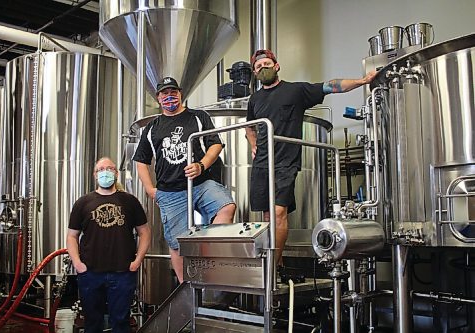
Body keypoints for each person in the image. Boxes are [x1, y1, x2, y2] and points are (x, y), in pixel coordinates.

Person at [245, 49, 377, 265]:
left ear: (276, 66)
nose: (263, 68)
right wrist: (253, 145)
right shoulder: (255, 99)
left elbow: (331, 86)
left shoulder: (296, 91)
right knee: (267, 217)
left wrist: (363, 81)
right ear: (254, 73)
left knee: (279, 213)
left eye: (266, 64)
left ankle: (272, 269)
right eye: (258, 67)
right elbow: (249, 127)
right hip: (261, 165)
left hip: (286, 163)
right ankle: (272, 264)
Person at [133, 77, 236, 283]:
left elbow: (215, 144)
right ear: (158, 97)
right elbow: (140, 160)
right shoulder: (152, 128)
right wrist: (149, 188)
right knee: (177, 243)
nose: (169, 96)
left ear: (180, 93)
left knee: (227, 206)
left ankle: (209, 259)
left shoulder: (198, 117)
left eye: (173, 92)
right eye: (165, 93)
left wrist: (201, 165)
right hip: (170, 191)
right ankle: (185, 288)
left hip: (201, 184)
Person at [67, 157, 151, 333]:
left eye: (110, 168)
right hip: (90, 273)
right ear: (95, 175)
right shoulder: (82, 203)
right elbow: (72, 236)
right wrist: (77, 263)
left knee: (121, 322)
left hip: (123, 273)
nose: (105, 172)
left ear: (116, 173)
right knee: (92, 322)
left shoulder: (130, 201)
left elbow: (145, 232)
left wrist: (137, 261)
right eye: (101, 169)